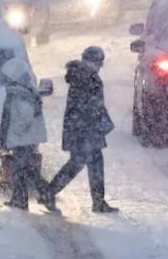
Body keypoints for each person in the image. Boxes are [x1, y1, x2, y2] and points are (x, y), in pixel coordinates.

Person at [48, 46, 118, 213]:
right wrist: (99, 121)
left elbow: (92, 104)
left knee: (85, 164)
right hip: (84, 131)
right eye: (100, 62)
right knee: (82, 164)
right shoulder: (87, 77)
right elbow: (91, 105)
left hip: (82, 129)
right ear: (94, 61)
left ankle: (97, 201)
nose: (101, 66)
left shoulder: (82, 75)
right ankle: (49, 192)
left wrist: (102, 120)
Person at [0, 56, 57, 212]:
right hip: (26, 139)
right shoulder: (24, 91)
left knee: (24, 171)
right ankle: (21, 198)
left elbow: (24, 116)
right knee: (23, 171)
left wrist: (15, 133)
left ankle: (43, 195)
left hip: (23, 139)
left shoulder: (20, 94)